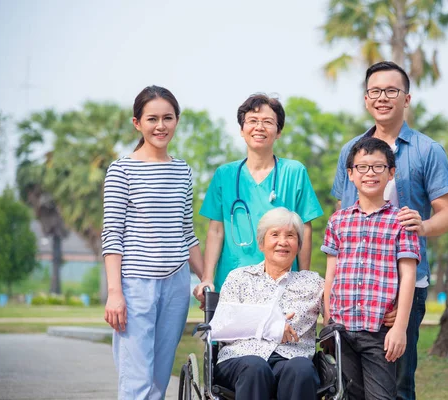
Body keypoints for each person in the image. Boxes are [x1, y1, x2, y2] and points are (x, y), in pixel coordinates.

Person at [331, 61, 448, 400]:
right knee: (350, 385)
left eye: (391, 91)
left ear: (407, 98)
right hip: (357, 287)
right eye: (375, 91)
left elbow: (447, 215)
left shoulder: (428, 150)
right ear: (366, 99)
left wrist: (423, 225)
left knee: (398, 381)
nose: (382, 97)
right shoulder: (351, 151)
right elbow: (342, 213)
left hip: (405, 284)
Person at [101, 85, 203, 400]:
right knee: (136, 380)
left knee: (159, 379)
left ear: (176, 120)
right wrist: (115, 293)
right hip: (134, 286)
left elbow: (187, 232)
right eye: (152, 119)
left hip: (176, 286)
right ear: (137, 123)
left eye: (168, 118)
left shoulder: (183, 171)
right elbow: (112, 235)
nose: (160, 126)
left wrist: (205, 278)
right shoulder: (121, 170)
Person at [194, 93, 323, 297]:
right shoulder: (224, 175)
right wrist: (208, 277)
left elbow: (305, 229)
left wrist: (303, 277)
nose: (259, 127)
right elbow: (216, 231)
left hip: (283, 282)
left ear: (278, 131)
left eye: (268, 122)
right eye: (252, 121)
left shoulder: (294, 172)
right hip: (232, 282)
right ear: (242, 129)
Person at [323, 137, 420, 399]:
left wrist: (400, 327)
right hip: (341, 330)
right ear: (350, 174)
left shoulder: (401, 221)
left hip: (379, 332)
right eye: (362, 167)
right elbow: (331, 273)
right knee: (347, 394)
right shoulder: (337, 221)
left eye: (378, 167)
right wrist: (328, 320)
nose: (370, 174)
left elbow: (408, 275)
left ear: (391, 173)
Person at [209, 207, 324, 400]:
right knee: (256, 367)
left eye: (290, 235)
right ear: (261, 243)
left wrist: (392, 311)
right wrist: (271, 325)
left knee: (301, 368)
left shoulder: (313, 283)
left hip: (290, 358)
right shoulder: (239, 278)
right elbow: (222, 326)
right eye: (275, 235)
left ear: (298, 245)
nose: (283, 242)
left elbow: (340, 310)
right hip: (240, 359)